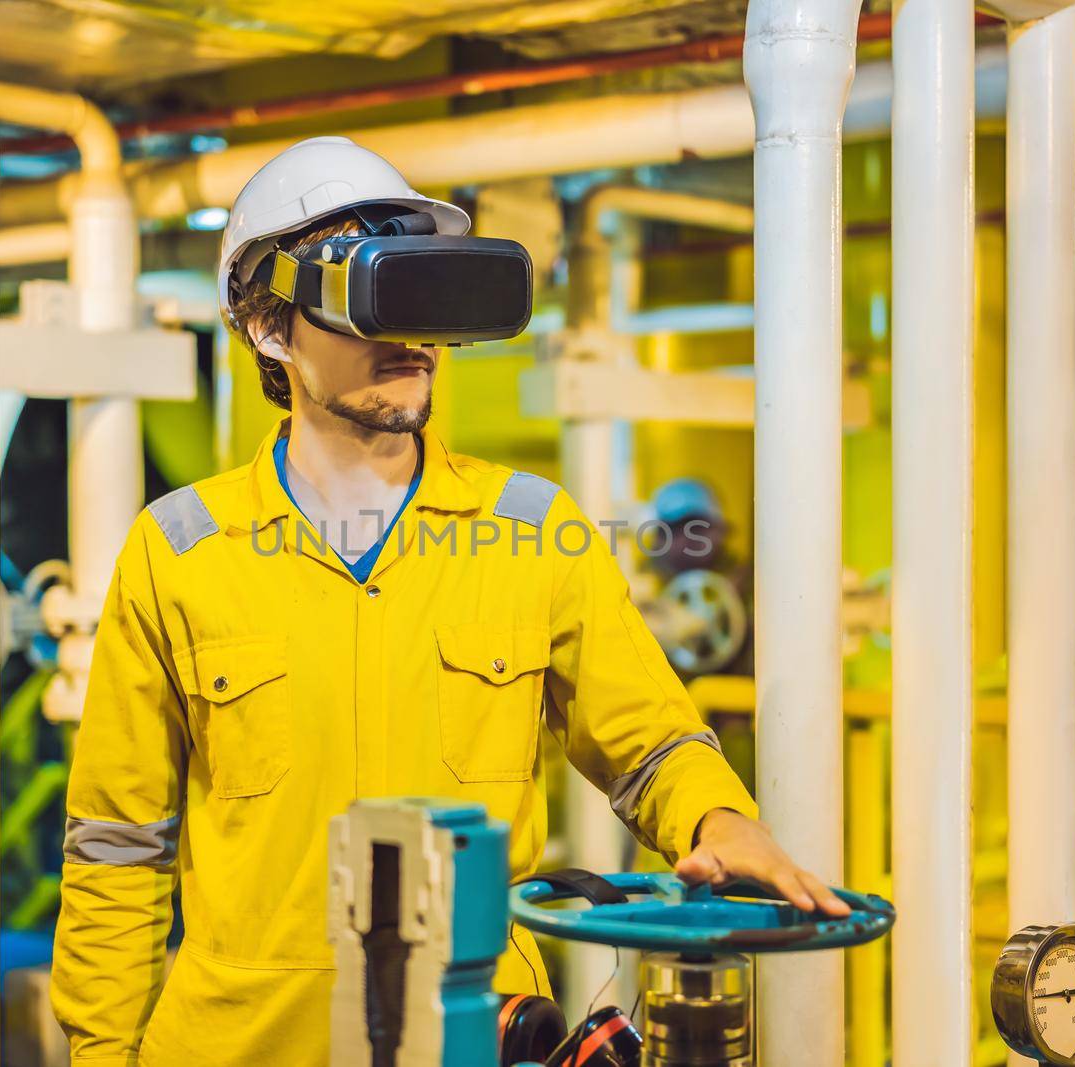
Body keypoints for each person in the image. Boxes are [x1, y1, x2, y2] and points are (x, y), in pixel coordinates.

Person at [50, 136, 847, 1066]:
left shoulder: (532, 530)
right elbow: (117, 849)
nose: (414, 331)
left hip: (473, 1035)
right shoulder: (180, 549)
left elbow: (653, 743)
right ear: (272, 328)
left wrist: (718, 817)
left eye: (429, 286)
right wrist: (103, 1053)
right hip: (240, 1043)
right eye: (375, 290)